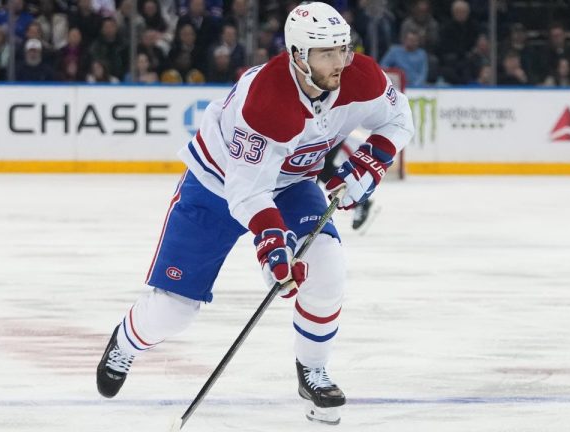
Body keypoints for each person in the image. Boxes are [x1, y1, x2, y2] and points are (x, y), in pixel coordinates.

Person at [96, 2, 413, 425]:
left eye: (344, 48)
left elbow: (399, 116)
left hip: (292, 184)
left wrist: (374, 159)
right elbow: (246, 192)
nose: (341, 62)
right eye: (327, 53)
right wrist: (272, 245)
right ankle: (127, 342)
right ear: (299, 55)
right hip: (215, 185)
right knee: (173, 310)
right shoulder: (266, 99)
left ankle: (312, 371)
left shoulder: (362, 76)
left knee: (327, 267)